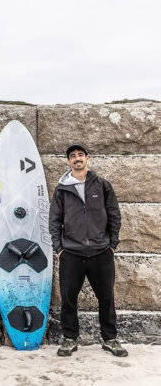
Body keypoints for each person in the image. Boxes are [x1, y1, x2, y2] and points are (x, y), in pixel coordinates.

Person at [49, 144, 127, 357]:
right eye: (73, 156)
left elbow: (114, 214)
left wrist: (112, 244)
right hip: (71, 253)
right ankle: (69, 339)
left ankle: (110, 339)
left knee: (107, 298)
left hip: (101, 252)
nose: (77, 158)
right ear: (69, 161)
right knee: (68, 299)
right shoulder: (62, 189)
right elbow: (54, 219)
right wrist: (59, 249)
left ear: (87, 158)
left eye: (80, 155)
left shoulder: (102, 185)